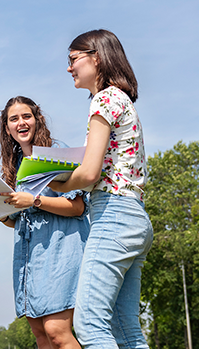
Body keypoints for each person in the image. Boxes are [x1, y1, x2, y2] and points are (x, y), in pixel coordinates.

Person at [49, 29, 153, 348]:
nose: (69, 68)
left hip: (114, 216)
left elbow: (90, 172)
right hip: (134, 217)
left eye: (73, 59)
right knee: (126, 329)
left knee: (90, 324)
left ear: (96, 57)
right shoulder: (120, 99)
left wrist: (53, 181)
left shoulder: (104, 98)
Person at [0, 96, 89, 349]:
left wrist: (34, 201)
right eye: (13, 119)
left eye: (26, 116)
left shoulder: (57, 152)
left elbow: (77, 206)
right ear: (6, 128)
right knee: (40, 333)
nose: (21, 123)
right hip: (29, 257)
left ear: (37, 119)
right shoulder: (14, 165)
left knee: (57, 331)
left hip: (61, 250)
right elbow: (16, 221)